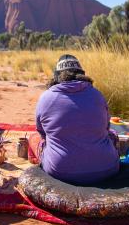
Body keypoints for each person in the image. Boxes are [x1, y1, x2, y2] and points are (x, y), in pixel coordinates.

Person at [28, 54, 120, 184]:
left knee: (34, 138)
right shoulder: (97, 95)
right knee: (113, 136)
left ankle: (37, 164)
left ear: (57, 76)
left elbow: (42, 133)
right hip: (107, 168)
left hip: (60, 171)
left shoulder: (46, 98)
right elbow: (106, 128)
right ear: (82, 74)